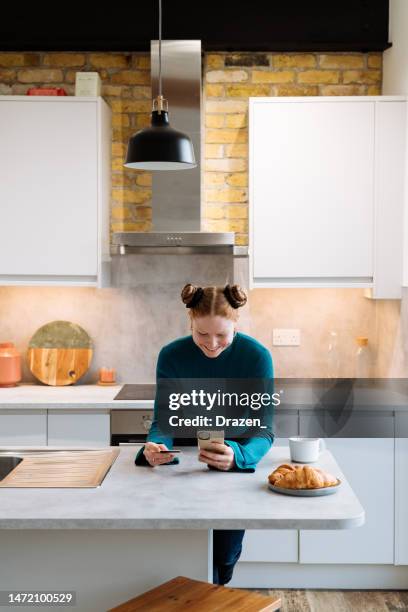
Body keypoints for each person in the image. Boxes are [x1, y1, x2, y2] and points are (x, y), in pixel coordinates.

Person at [135, 283, 274, 585]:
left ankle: (219, 586)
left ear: (236, 324)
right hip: (182, 465)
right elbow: (163, 421)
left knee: (225, 554)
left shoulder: (257, 357)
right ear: (190, 324)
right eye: (202, 335)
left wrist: (238, 456)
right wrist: (157, 445)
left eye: (222, 335)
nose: (212, 344)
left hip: (233, 461)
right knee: (181, 553)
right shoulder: (171, 355)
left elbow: (265, 430)